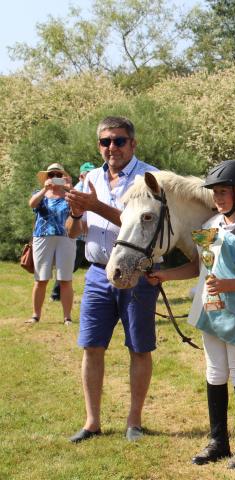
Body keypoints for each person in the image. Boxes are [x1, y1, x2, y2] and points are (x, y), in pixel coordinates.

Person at [146, 160, 235, 469]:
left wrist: (228, 284)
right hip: (210, 309)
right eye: (215, 192)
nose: (217, 197)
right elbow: (199, 267)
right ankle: (218, 441)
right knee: (215, 372)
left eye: (223, 191)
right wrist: (166, 276)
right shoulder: (210, 226)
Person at [65, 116, 159, 443]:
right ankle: (92, 422)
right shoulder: (90, 178)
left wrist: (95, 205)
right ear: (99, 145)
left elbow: (141, 227)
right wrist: (77, 213)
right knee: (91, 346)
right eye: (105, 142)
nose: (112, 147)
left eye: (119, 141)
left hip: (137, 275)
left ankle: (134, 421)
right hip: (96, 273)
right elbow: (73, 231)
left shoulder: (150, 179)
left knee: (139, 347)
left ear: (133, 144)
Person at [27, 163, 75, 325]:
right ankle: (35, 315)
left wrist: (70, 188)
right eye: (51, 174)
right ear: (47, 177)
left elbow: (80, 207)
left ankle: (67, 317)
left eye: (58, 174)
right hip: (43, 237)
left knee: (65, 279)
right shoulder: (41, 193)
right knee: (41, 279)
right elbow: (32, 204)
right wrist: (44, 190)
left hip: (66, 238)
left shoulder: (69, 194)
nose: (55, 177)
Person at [51, 162, 96, 301]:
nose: (90, 176)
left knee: (73, 265)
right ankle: (56, 293)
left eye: (92, 173)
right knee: (71, 266)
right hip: (76, 237)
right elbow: (69, 214)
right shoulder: (76, 189)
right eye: (87, 173)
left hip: (86, 236)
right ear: (81, 176)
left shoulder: (90, 190)